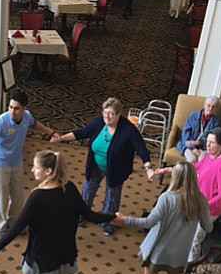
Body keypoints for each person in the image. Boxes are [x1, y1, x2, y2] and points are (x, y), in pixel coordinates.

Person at [112, 162, 212, 274]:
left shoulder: (167, 198)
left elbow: (149, 222)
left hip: (158, 250)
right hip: (179, 252)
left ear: (175, 178)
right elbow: (208, 226)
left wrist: (125, 220)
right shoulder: (201, 201)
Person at [53, 97, 155, 236]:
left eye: (111, 113)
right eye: (105, 112)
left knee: (112, 197)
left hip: (116, 169)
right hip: (95, 164)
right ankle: (82, 215)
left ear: (118, 115)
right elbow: (82, 132)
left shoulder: (128, 130)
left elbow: (141, 148)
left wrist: (148, 168)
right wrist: (61, 138)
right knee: (87, 191)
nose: (107, 116)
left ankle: (107, 222)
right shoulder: (100, 122)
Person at [0, 90, 57, 235]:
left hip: (17, 162)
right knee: (2, 197)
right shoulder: (0, 122)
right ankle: (1, 225)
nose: (12, 111)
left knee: (18, 196)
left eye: (17, 108)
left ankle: (14, 222)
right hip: (0, 165)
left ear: (24, 108)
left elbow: (35, 124)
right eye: (10, 107)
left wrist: (51, 132)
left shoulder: (27, 117)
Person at [154, 127, 221, 261]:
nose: (207, 145)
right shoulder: (210, 157)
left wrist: (207, 204)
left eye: (212, 143)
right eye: (207, 141)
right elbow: (192, 168)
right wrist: (169, 169)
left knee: (194, 243)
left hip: (208, 211)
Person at [176, 96, 220, 163]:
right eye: (208, 105)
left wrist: (199, 142)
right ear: (204, 105)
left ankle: (197, 174)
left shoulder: (216, 122)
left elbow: (213, 138)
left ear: (216, 108)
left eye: (213, 107)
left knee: (201, 162)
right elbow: (185, 134)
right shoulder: (192, 116)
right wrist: (193, 148)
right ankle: (185, 173)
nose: (210, 108)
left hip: (204, 147)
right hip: (187, 146)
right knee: (192, 160)